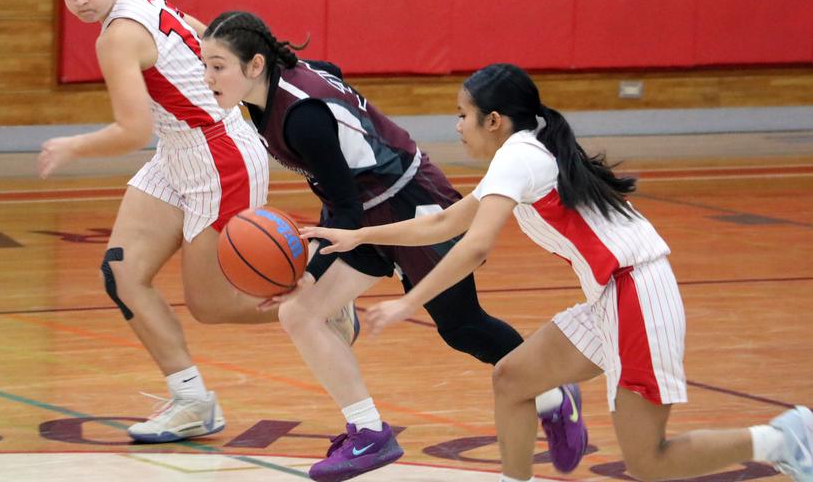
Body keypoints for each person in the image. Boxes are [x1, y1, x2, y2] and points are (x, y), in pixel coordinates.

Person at [302, 63, 813, 482]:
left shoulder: (518, 156)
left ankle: (785, 437)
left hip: (637, 293)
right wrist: (361, 237)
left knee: (648, 460)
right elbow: (445, 222)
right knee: (512, 378)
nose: (457, 125)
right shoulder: (520, 155)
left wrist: (409, 303)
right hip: (610, 296)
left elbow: (475, 246)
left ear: (495, 120)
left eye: (463, 115)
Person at [199, 12, 588, 482]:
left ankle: (553, 395)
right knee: (299, 313)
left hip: (412, 201)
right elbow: (332, 83)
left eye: (218, 66)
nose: (208, 77)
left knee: (463, 328)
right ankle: (368, 431)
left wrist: (302, 270)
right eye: (205, 65)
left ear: (255, 65)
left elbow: (342, 207)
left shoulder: (303, 118)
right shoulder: (269, 96)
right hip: (363, 210)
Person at [42, 0, 357, 445]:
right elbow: (205, 33)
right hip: (180, 149)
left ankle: (324, 302)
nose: (78, 1)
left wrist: (71, 145)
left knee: (211, 304)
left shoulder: (119, 35)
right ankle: (192, 403)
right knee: (121, 272)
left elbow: (132, 130)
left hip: (218, 155)